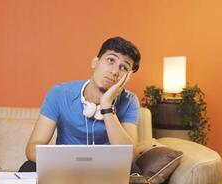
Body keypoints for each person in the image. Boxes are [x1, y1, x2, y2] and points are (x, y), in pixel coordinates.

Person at [20, 36, 141, 173]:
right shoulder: (60, 93)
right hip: (63, 167)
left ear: (128, 77)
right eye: (110, 60)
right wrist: (66, 162)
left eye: (123, 67)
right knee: (28, 167)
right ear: (95, 62)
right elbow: (32, 149)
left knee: (133, 170)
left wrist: (107, 106)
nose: (114, 72)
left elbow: (129, 156)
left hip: (105, 170)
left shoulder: (129, 101)